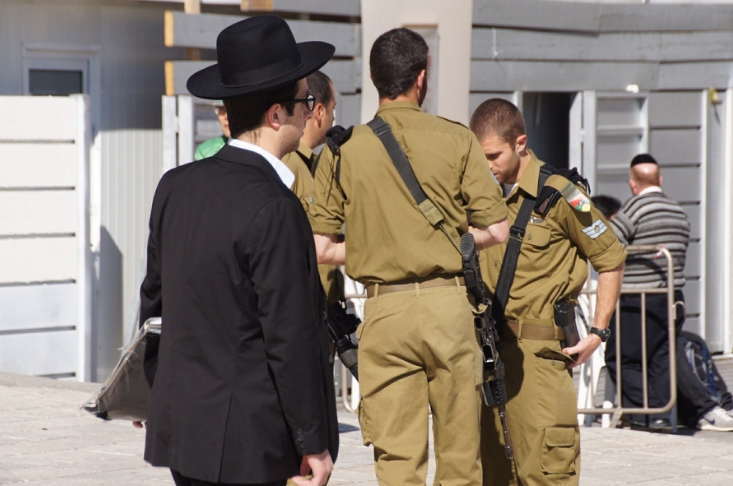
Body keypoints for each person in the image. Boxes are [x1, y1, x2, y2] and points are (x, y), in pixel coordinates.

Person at [137, 16, 338, 486]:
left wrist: (149, 392)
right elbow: (289, 336)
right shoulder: (275, 206)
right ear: (276, 115)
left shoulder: (175, 186)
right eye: (305, 101)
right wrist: (313, 441)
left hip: (184, 432)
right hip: (250, 444)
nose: (311, 112)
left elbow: (154, 307)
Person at [310, 28, 509, 486]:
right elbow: (498, 230)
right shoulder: (457, 139)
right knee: (460, 460)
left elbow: (321, 248)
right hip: (448, 308)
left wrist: (377, 247)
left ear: (374, 79)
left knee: (397, 462)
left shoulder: (343, 150)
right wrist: (447, 244)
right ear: (422, 77)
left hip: (385, 312)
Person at [469, 98, 626, 486]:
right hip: (488, 355)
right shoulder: (483, 196)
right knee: (492, 475)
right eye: (480, 156)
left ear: (520, 142)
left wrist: (598, 332)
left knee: (546, 473)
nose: (487, 165)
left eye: (494, 155)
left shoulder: (566, 195)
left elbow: (611, 258)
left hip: (539, 358)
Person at [605, 153, 695, 431]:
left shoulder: (635, 208)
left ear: (633, 183)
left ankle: (642, 415)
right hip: (673, 296)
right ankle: (660, 416)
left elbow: (607, 242)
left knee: (622, 358)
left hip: (638, 297)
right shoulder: (678, 211)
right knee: (660, 358)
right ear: (660, 180)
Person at [282, 70, 341, 305]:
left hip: (323, 308)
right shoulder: (290, 165)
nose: (333, 118)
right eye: (332, 109)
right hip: (303, 305)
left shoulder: (315, 165)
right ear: (319, 112)